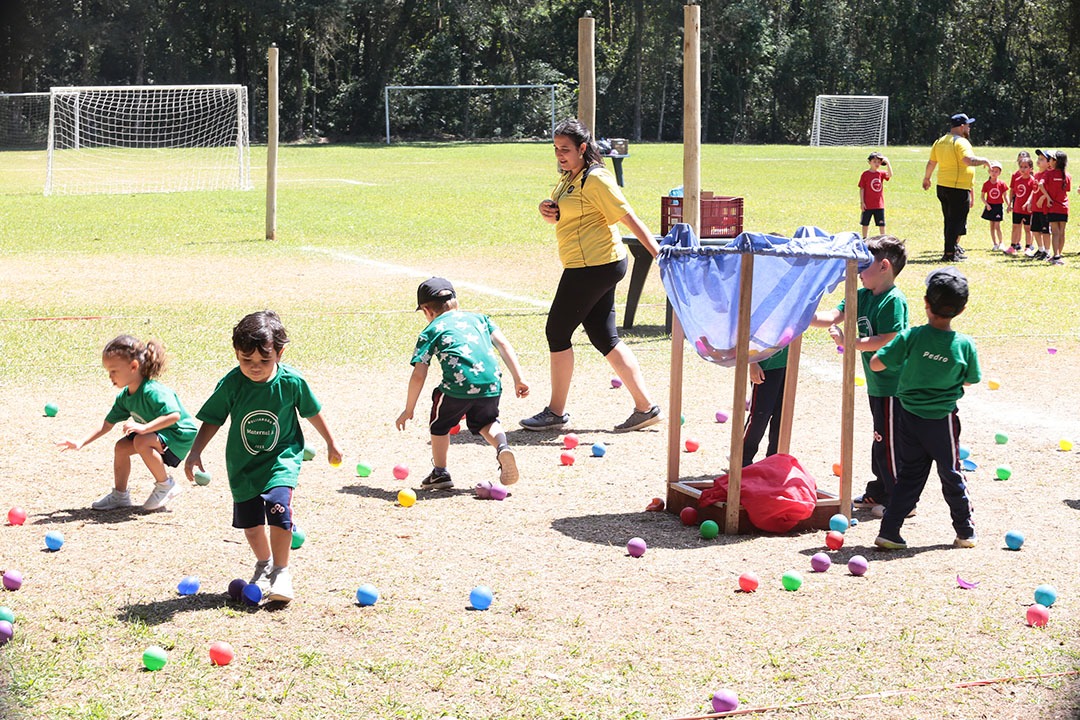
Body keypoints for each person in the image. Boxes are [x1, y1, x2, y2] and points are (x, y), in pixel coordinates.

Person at [184, 311, 342, 604]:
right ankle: (264, 565)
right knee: (251, 524)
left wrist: (330, 442)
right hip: (242, 465)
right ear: (236, 354)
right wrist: (195, 451)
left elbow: (312, 411)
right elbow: (213, 418)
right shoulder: (232, 383)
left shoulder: (292, 382)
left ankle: (281, 572)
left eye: (264, 360)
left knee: (279, 509)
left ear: (280, 354)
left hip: (282, 458)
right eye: (247, 360)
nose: (255, 367)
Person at [521, 117, 662, 433]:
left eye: (565, 149)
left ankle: (555, 412)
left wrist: (658, 255)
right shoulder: (570, 176)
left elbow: (629, 217)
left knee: (557, 331)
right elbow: (566, 213)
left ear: (583, 148)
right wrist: (549, 211)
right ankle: (646, 408)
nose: (559, 155)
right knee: (603, 336)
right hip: (592, 264)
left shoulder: (596, 178)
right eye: (556, 149)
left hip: (593, 266)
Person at [870, 268, 981, 550]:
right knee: (951, 473)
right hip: (942, 421)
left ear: (926, 303)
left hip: (908, 417)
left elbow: (876, 363)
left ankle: (889, 532)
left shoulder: (912, 336)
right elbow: (971, 379)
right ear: (962, 309)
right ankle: (965, 532)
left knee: (909, 475)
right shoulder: (964, 344)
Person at [396, 277, 529, 489]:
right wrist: (518, 378)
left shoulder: (431, 330)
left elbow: (419, 374)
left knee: (440, 425)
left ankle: (440, 473)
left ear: (426, 310)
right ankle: (502, 447)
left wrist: (408, 409)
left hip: (457, 388)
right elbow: (503, 344)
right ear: (455, 301)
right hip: (491, 384)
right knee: (487, 421)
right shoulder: (480, 319)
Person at [812, 235, 909, 517]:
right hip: (878, 385)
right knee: (880, 438)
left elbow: (888, 338)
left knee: (889, 444)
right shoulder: (862, 295)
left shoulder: (893, 301)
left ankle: (901, 500)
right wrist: (802, 315)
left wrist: (849, 342)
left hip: (894, 387)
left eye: (863, 265)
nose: (857, 271)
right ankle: (879, 490)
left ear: (884, 266)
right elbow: (832, 316)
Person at [58, 335, 197, 511]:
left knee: (141, 440)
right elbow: (107, 425)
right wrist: (81, 442)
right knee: (121, 448)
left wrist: (144, 428)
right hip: (159, 435)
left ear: (133, 367)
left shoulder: (153, 391)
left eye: (114, 371)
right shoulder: (125, 397)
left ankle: (166, 485)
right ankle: (120, 495)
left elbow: (174, 416)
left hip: (179, 436)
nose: (110, 376)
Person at [922, 113, 993, 262]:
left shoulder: (940, 141)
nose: (969, 128)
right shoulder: (961, 142)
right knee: (955, 222)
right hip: (957, 188)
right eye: (968, 125)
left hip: (942, 186)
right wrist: (985, 160)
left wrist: (927, 178)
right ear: (961, 126)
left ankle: (952, 249)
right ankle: (949, 253)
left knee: (949, 220)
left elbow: (931, 162)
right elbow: (968, 160)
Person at [742, 347, 788, 466]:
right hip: (765, 366)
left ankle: (774, 460)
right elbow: (750, 337)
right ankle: (742, 458)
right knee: (760, 415)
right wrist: (753, 363)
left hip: (788, 364)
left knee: (782, 415)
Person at [1035, 150, 1070, 265]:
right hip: (1064, 206)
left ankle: (1056, 256)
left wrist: (1047, 197)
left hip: (1053, 206)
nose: (1049, 160)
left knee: (1055, 232)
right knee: (1062, 232)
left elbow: (1040, 184)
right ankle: (1058, 255)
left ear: (1055, 161)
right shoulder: (1066, 175)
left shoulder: (1049, 174)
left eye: (1050, 159)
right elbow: (1067, 189)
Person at [858, 152, 892, 238]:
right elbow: (862, 188)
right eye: (874, 161)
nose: (877, 164)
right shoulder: (865, 174)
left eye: (879, 162)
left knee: (881, 224)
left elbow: (890, 175)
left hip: (879, 204)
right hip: (868, 204)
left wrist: (888, 163)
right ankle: (864, 238)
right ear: (869, 162)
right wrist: (862, 202)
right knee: (865, 223)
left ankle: (883, 238)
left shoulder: (881, 173)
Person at [1007, 152, 1036, 256]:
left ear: (1031, 168)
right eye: (1021, 167)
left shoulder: (1033, 180)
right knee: (1015, 226)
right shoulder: (1017, 180)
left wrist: (1029, 203)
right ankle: (1013, 246)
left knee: (1028, 228)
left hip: (1028, 209)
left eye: (1025, 167)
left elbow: (1034, 193)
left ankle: (1028, 247)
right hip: (1017, 208)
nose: (1023, 169)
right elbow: (1014, 192)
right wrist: (1010, 204)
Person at [980, 161, 1008, 251]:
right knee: (991, 226)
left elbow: (1005, 195)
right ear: (989, 171)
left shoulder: (1002, 184)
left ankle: (1001, 243)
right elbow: (982, 197)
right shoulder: (986, 184)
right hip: (990, 206)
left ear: (999, 173)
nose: (994, 173)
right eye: (992, 171)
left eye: (996, 171)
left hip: (998, 206)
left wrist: (1009, 205)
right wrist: (987, 205)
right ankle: (995, 244)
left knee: (997, 225)